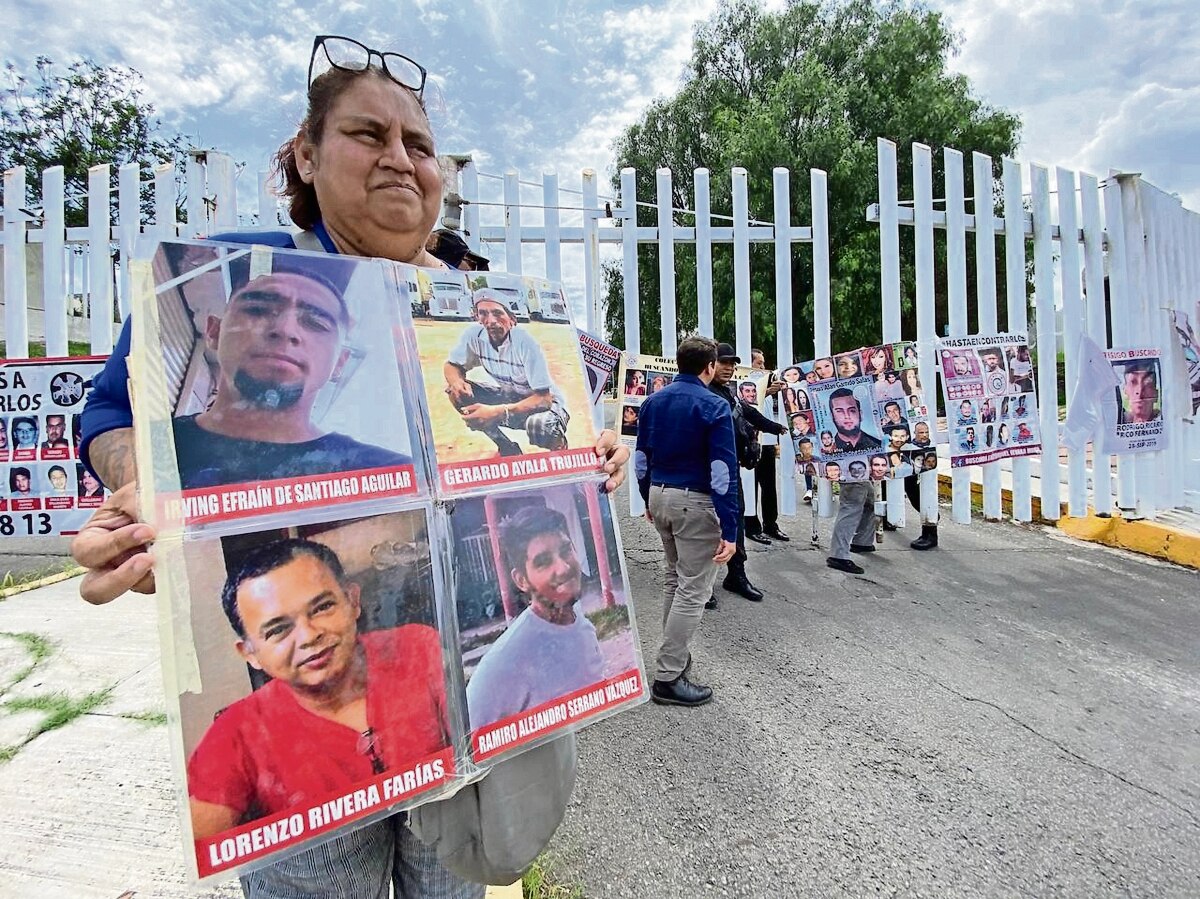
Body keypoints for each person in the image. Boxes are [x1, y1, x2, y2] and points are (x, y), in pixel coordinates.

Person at [72, 35, 630, 899]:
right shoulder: (243, 266)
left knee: (454, 878)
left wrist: (593, 458)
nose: (400, 160)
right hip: (316, 732)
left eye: (418, 144)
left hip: (457, 713)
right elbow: (110, 413)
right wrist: (141, 484)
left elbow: (538, 449)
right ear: (306, 153)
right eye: (368, 135)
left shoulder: (483, 299)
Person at [187, 539, 450, 840]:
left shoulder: (415, 647)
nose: (310, 636)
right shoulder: (236, 733)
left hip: (436, 831)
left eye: (322, 607)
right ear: (250, 653)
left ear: (352, 601)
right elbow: (203, 848)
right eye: (278, 629)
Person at [173, 254, 413, 489]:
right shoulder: (147, 451)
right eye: (258, 309)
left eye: (315, 323)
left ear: (340, 362)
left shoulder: (393, 477)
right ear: (214, 332)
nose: (285, 329)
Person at [635, 335, 737, 707]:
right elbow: (722, 470)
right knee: (694, 589)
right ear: (709, 366)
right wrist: (731, 527)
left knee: (675, 579)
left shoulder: (652, 401)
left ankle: (672, 657)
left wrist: (648, 495)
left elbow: (642, 457)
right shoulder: (713, 405)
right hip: (694, 501)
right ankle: (667, 675)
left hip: (660, 494)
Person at [466, 507, 604, 729]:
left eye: (566, 550)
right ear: (521, 580)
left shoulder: (582, 626)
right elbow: (472, 752)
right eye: (543, 562)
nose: (564, 567)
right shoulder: (501, 665)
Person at [443, 288, 569, 457]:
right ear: (477, 317)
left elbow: (544, 399)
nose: (491, 320)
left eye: (497, 313)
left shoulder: (525, 343)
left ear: (512, 319)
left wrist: (496, 412)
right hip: (510, 397)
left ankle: (559, 449)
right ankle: (507, 448)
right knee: (455, 393)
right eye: (483, 313)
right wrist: (457, 382)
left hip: (545, 404)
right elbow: (451, 366)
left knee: (539, 425)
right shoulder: (474, 336)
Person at [709, 343, 786, 596]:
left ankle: (736, 575)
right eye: (724, 363)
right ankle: (700, 585)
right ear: (710, 364)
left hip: (730, 471)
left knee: (735, 522)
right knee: (704, 526)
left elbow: (748, 412)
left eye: (732, 364)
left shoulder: (728, 393)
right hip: (704, 472)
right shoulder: (702, 392)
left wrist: (776, 427)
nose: (729, 368)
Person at [744, 348, 790, 544]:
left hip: (768, 442)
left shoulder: (767, 383)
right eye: (759, 363)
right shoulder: (745, 386)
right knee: (750, 485)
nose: (763, 367)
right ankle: (751, 525)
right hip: (752, 441)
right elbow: (747, 408)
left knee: (769, 486)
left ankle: (771, 524)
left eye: (763, 363)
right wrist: (765, 392)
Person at [828, 465, 877, 574]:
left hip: (859, 464)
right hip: (851, 462)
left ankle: (862, 541)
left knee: (870, 499)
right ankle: (838, 555)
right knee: (852, 503)